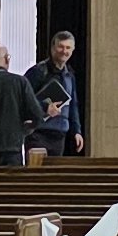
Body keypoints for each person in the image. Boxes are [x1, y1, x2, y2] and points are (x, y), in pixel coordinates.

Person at [29, 28, 85, 157]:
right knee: (36, 176)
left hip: (60, 135)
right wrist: (45, 107)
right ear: (53, 48)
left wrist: (77, 131)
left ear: (72, 50)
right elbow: (24, 99)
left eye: (68, 48)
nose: (64, 51)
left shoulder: (69, 75)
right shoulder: (38, 71)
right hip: (38, 133)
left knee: (53, 175)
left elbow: (73, 105)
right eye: (60, 47)